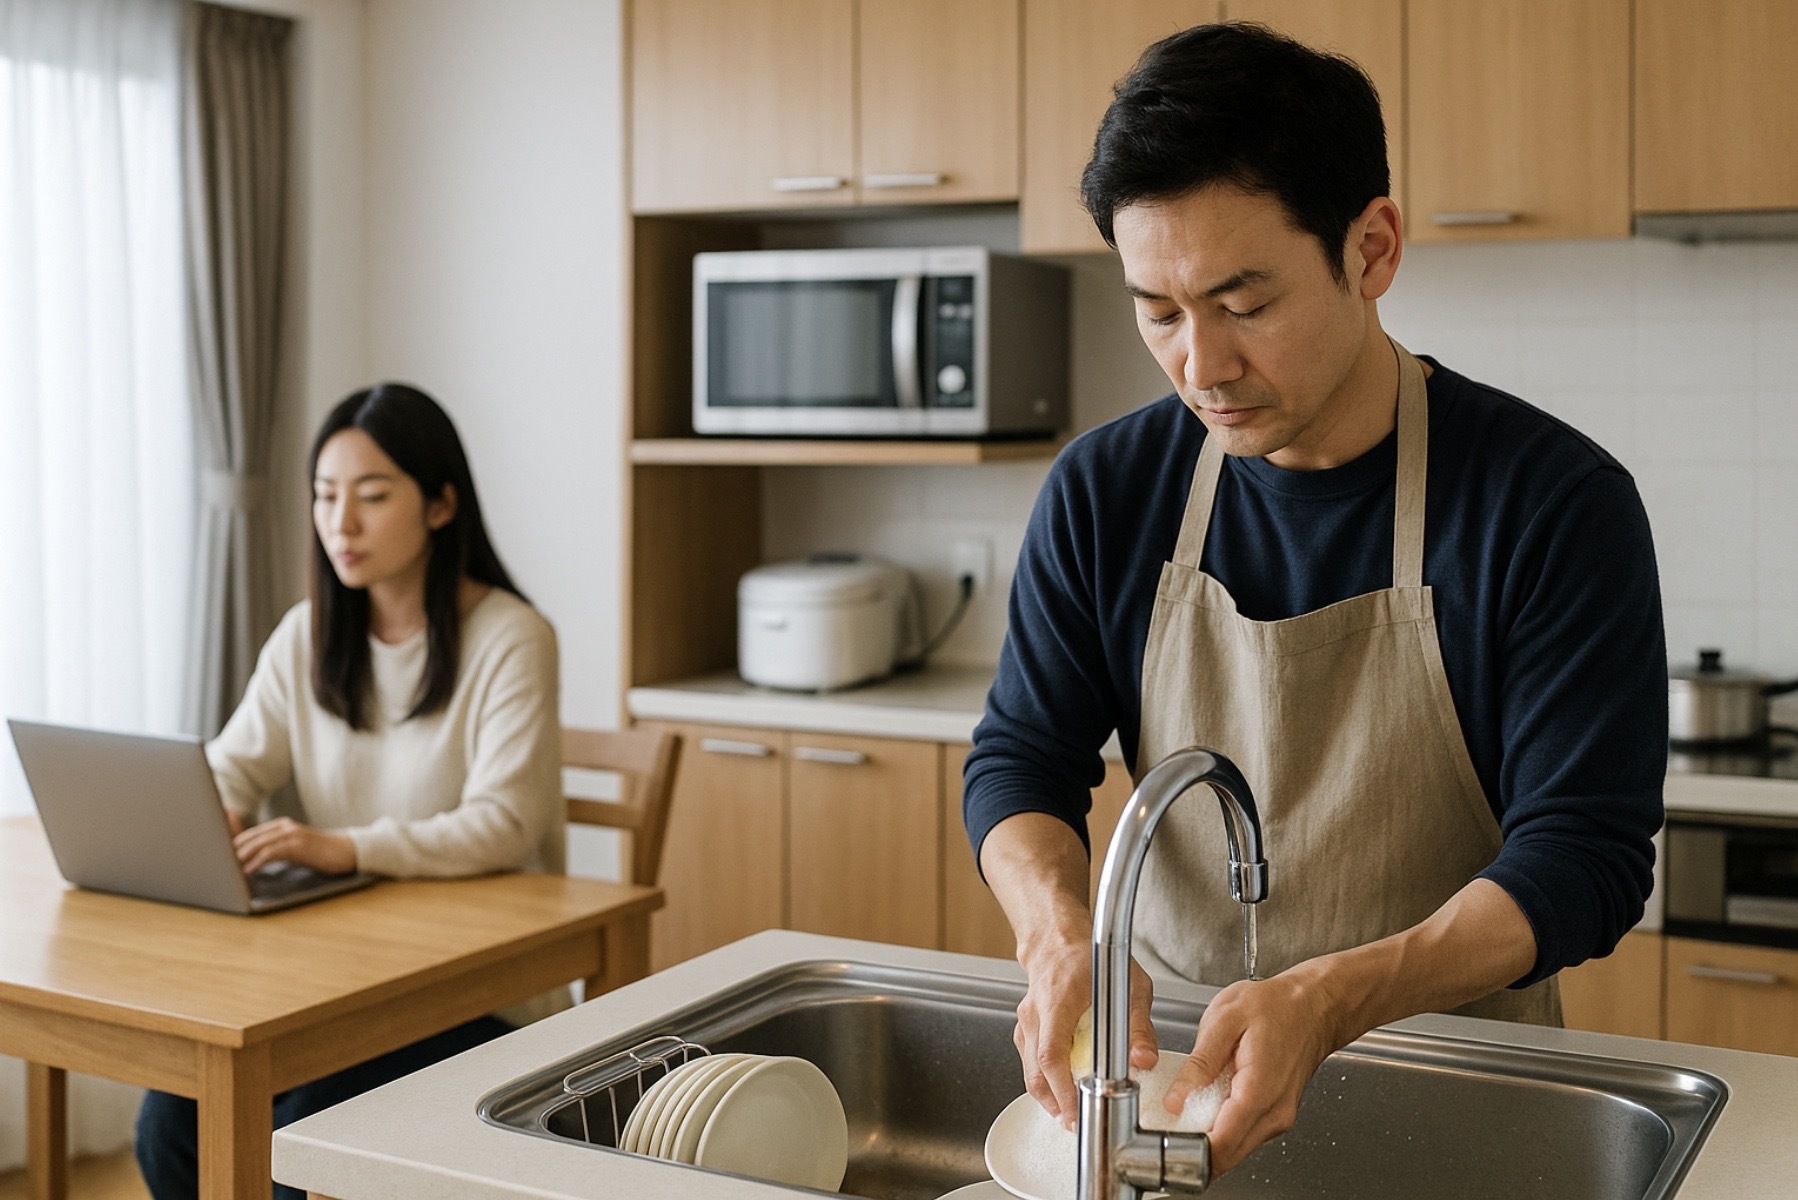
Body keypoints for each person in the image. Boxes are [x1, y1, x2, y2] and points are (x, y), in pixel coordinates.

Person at [964, 22, 1666, 1179]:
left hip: (1461, 1098)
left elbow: (1584, 855)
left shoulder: (1550, 503)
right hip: (1171, 1095)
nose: (1201, 366)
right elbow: (1020, 760)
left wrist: (1334, 997)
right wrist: (1056, 938)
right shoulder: (1106, 490)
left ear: (1371, 248)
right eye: (1159, 312)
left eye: (1243, 304)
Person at [135, 383, 564, 1200]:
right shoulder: (308, 634)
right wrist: (214, 812)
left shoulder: (512, 638)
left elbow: (505, 823)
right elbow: (232, 765)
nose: (342, 522)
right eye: (325, 496)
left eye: (371, 496)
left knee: (295, 1131)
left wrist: (345, 847)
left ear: (441, 505)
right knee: (169, 1123)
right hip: (337, 981)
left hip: (479, 992)